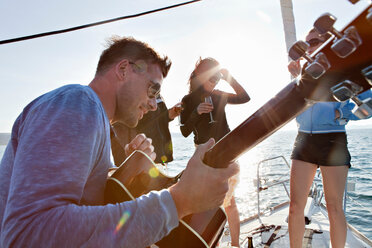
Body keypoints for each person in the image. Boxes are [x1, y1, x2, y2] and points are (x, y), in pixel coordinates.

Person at [0, 36, 239, 247]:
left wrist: (119, 172)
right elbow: (27, 236)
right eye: (152, 90)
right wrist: (177, 202)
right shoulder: (78, 104)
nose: (154, 104)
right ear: (123, 70)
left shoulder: (97, 122)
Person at [288, 29, 372, 248]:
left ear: (330, 43)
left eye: (314, 42)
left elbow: (368, 104)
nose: (309, 48)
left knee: (334, 207)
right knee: (295, 207)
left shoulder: (344, 70)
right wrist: (294, 78)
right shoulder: (305, 73)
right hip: (303, 140)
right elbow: (292, 106)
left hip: (332, 140)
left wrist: (340, 114)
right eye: (306, 45)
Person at [180, 57, 250, 247]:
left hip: (228, 152)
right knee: (209, 205)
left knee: (229, 202)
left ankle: (235, 245)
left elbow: (245, 98)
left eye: (217, 78)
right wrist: (197, 113)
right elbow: (184, 131)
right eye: (212, 78)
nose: (215, 82)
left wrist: (229, 78)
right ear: (201, 76)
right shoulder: (188, 100)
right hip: (205, 157)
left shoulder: (219, 95)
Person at [111, 94, 182, 166]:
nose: (154, 106)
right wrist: (130, 152)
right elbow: (121, 122)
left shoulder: (156, 95)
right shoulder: (135, 92)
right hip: (141, 158)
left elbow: (157, 119)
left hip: (159, 157)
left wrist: (171, 113)